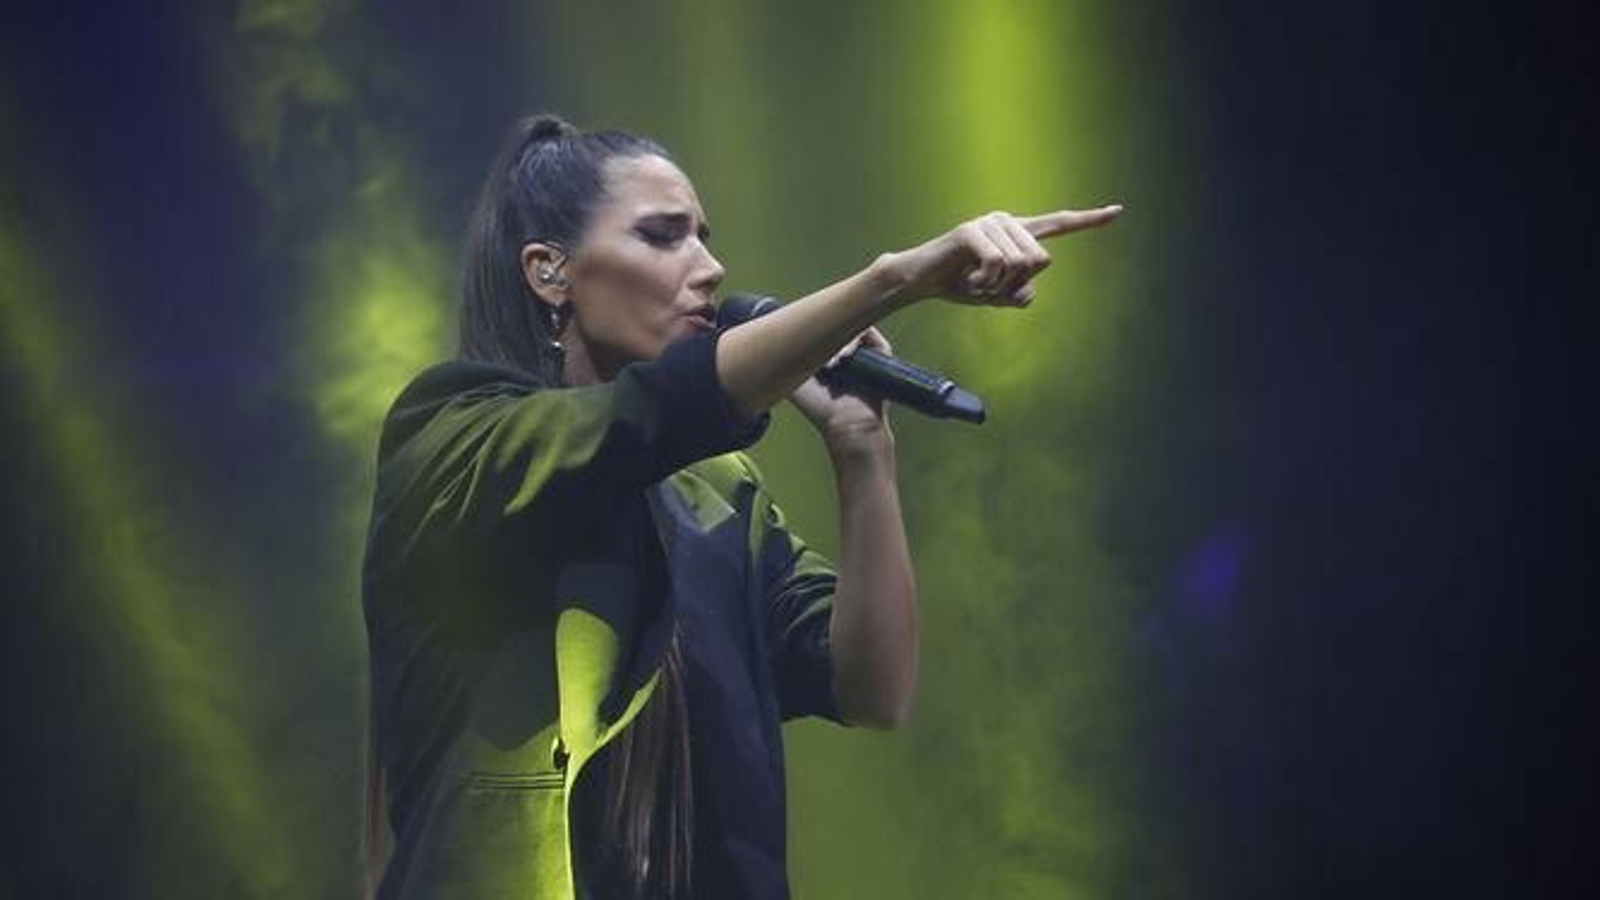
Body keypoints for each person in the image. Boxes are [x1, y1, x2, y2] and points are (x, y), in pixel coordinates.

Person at [359, 112, 1121, 899]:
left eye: (703, 237)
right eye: (663, 236)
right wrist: (890, 283)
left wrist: (862, 448)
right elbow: (654, 411)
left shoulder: (718, 494)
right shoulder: (451, 435)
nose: (711, 267)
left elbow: (871, 688)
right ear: (550, 271)